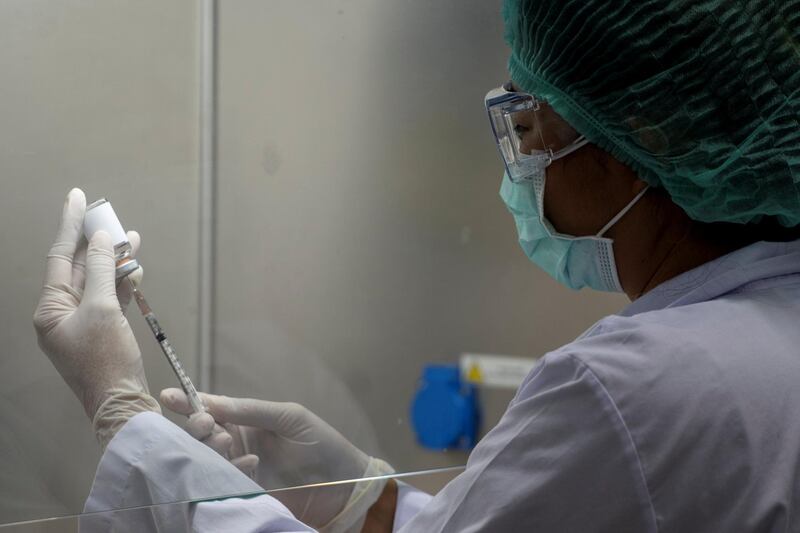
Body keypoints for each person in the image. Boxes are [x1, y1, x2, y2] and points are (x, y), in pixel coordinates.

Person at [33, 0, 800, 531]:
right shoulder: (766, 335)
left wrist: (126, 417)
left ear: (646, 143)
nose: (525, 158)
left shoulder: (627, 394)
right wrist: (366, 504)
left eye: (535, 124)